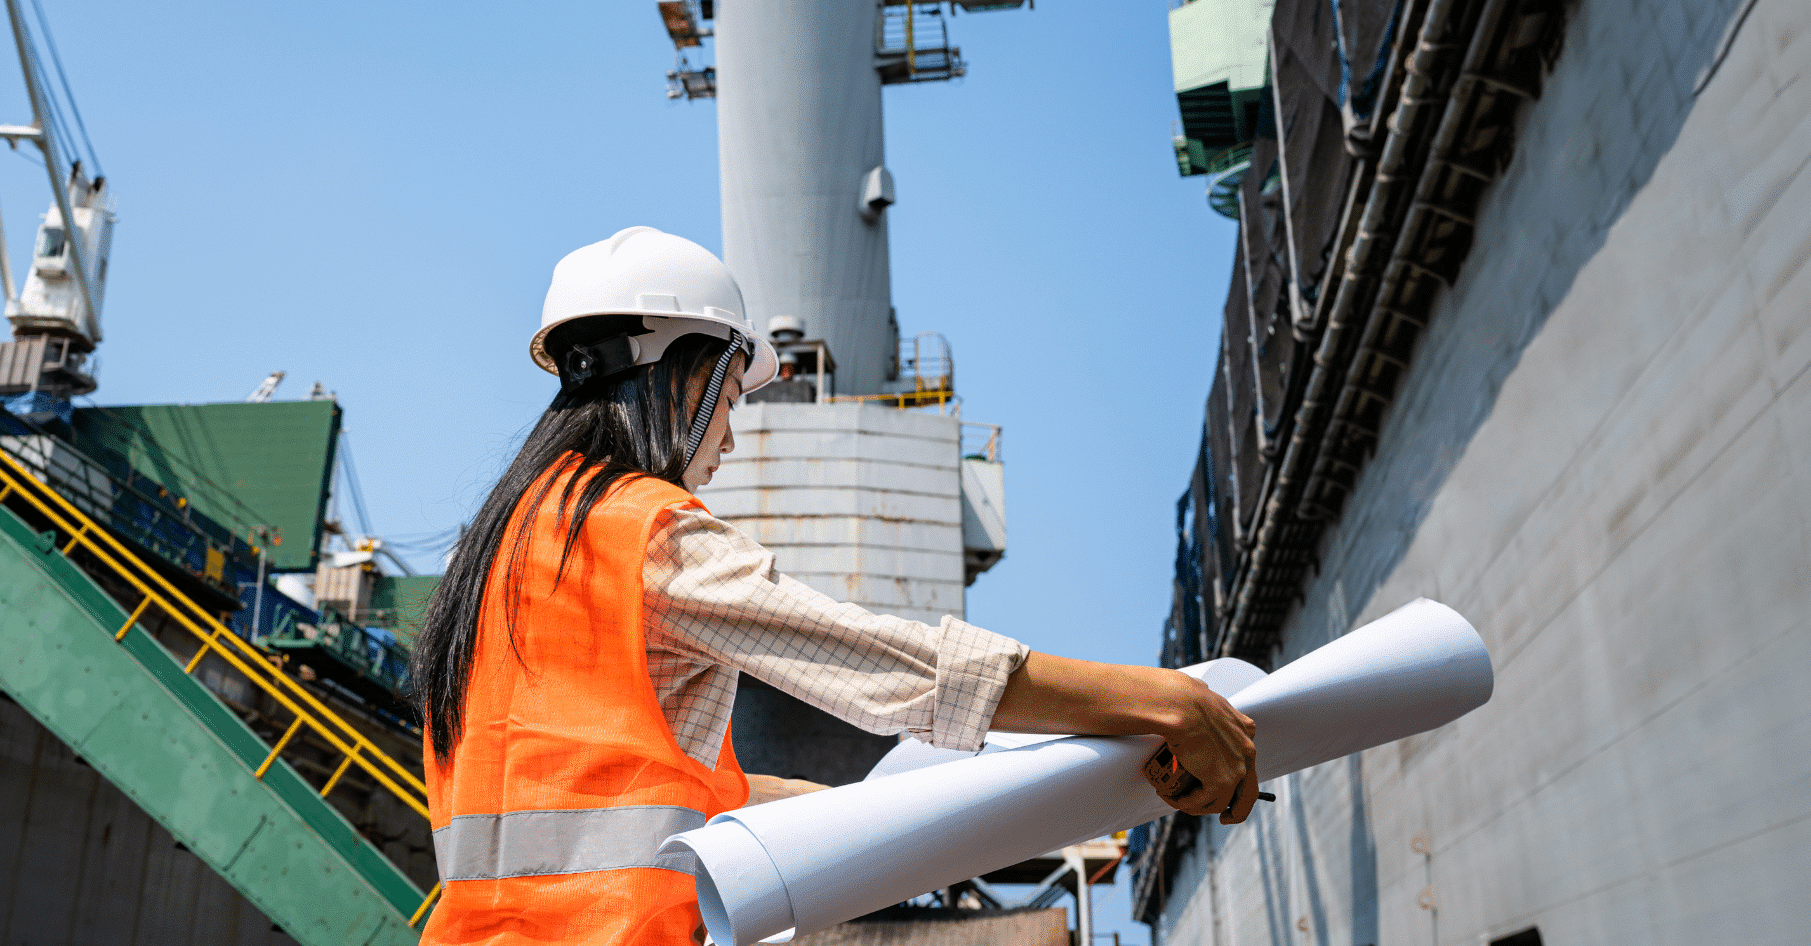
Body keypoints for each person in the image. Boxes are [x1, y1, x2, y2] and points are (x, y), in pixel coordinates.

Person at [412, 227, 1258, 946]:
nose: (732, 439)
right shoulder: (644, 534)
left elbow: (611, 795)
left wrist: (878, 811)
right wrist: (1164, 701)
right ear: (684, 370)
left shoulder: (496, 557)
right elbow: (888, 666)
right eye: (732, 397)